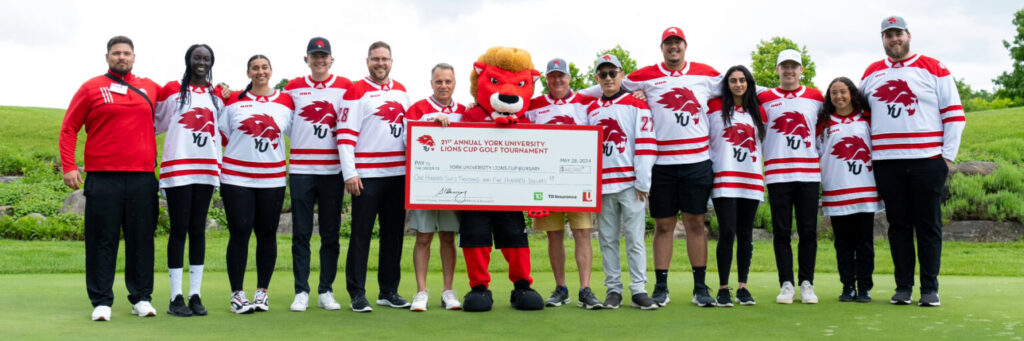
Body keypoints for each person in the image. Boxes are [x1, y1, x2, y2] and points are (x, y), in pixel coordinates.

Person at [611, 27, 722, 307]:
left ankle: (700, 288)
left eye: (678, 43)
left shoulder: (705, 73)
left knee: (696, 224)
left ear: (685, 45)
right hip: (661, 164)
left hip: (697, 162)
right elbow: (610, 85)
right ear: (662, 47)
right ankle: (661, 287)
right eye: (668, 43)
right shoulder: (645, 76)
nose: (673, 47)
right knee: (663, 225)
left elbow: (740, 83)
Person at [860, 16, 965, 307]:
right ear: (882, 39)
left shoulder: (934, 67)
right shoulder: (871, 73)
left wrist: (946, 158)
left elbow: (954, 115)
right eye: (888, 35)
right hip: (887, 162)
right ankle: (903, 287)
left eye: (898, 34)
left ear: (908, 35)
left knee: (928, 225)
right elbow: (862, 117)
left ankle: (929, 288)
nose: (894, 40)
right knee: (898, 226)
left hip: (927, 161)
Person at [61, 35, 162, 321]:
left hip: (142, 177)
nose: (121, 57)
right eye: (116, 53)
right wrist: (69, 165)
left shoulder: (150, 87)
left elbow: (186, 93)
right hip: (103, 177)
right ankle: (101, 301)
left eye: (126, 53)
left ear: (133, 57)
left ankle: (141, 298)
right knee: (101, 240)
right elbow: (69, 127)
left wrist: (222, 90)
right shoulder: (92, 88)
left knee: (141, 239)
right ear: (107, 57)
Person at [337, 41, 411, 312]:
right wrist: (350, 172)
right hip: (367, 175)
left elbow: (410, 129)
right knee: (361, 234)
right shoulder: (356, 91)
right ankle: (357, 293)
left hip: (397, 174)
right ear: (367, 60)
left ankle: (388, 290)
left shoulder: (402, 90)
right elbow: (345, 135)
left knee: (393, 235)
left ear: (392, 61)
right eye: (376, 59)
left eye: (385, 59)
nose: (381, 63)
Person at [524, 58, 602, 309]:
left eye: (562, 76)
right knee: (553, 235)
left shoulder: (586, 103)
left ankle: (585, 289)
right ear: (547, 79)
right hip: (546, 181)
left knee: (582, 233)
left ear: (569, 78)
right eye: (552, 76)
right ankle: (561, 288)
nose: (557, 80)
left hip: (577, 180)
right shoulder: (534, 105)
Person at [218, 55, 294, 314]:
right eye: (255, 68)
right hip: (236, 177)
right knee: (239, 232)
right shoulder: (234, 101)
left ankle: (262, 292)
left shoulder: (285, 101)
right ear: (248, 72)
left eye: (264, 67)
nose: (260, 72)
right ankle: (237, 294)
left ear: (271, 71)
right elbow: (223, 137)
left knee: (267, 234)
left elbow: (297, 134)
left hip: (271, 179)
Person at [153, 43, 224, 317]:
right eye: (197, 57)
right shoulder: (172, 90)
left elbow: (224, 129)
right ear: (188, 60)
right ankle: (175, 297)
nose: (202, 62)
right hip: (178, 170)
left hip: (205, 169)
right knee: (179, 229)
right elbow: (153, 120)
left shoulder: (216, 95)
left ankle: (195, 294)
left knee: (198, 230)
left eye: (206, 58)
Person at [282, 37, 352, 312]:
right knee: (301, 232)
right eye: (314, 56)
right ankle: (301, 290)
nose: (319, 60)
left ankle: (326, 290)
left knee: (330, 234)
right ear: (307, 59)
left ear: (331, 59)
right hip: (301, 170)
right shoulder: (293, 87)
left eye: (324, 56)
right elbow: (287, 123)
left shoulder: (346, 87)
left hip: (332, 170)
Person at [588, 54, 658, 310]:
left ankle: (639, 289)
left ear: (621, 75)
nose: (608, 78)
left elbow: (646, 142)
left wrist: (643, 181)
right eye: (603, 75)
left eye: (612, 73)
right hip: (603, 185)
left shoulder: (637, 104)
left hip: (631, 184)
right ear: (597, 78)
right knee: (607, 238)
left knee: (635, 238)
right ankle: (613, 289)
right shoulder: (592, 109)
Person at [757, 49, 824, 304]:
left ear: (801, 70)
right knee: (782, 232)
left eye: (793, 66)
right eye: (784, 66)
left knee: (808, 231)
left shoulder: (816, 97)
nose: (789, 70)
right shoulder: (765, 96)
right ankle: (786, 284)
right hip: (777, 175)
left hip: (808, 173)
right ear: (777, 70)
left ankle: (807, 283)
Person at [816, 77, 883, 303]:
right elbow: (816, 151)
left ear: (851, 93)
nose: (839, 97)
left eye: (843, 92)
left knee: (864, 242)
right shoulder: (823, 122)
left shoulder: (867, 118)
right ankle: (848, 286)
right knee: (842, 242)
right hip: (837, 190)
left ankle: (864, 287)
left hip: (864, 190)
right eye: (834, 93)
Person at [405, 63, 465, 312]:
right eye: (439, 81)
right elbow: (406, 142)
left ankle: (448, 291)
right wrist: (432, 126)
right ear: (431, 83)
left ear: (454, 84)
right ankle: (421, 291)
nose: (443, 86)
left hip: (454, 185)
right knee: (423, 237)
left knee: (448, 237)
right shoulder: (418, 108)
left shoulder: (464, 111)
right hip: (425, 184)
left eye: (448, 81)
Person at [707, 65, 766, 307]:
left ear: (749, 84)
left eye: (743, 80)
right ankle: (723, 288)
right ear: (726, 84)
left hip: (750, 179)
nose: (738, 84)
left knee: (745, 234)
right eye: (733, 80)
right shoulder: (714, 107)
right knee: (727, 232)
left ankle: (743, 287)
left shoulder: (759, 111)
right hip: (724, 179)